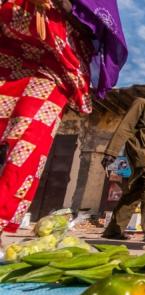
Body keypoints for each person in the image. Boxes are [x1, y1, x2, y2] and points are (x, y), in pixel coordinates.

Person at [0, 0, 127, 245]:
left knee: (28, 141)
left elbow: (94, 19)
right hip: (9, 42)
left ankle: (2, 217)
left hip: (56, 59)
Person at [101, 79, 145, 242]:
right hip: (139, 149)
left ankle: (113, 229)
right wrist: (111, 152)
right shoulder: (142, 103)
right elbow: (126, 126)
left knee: (135, 193)